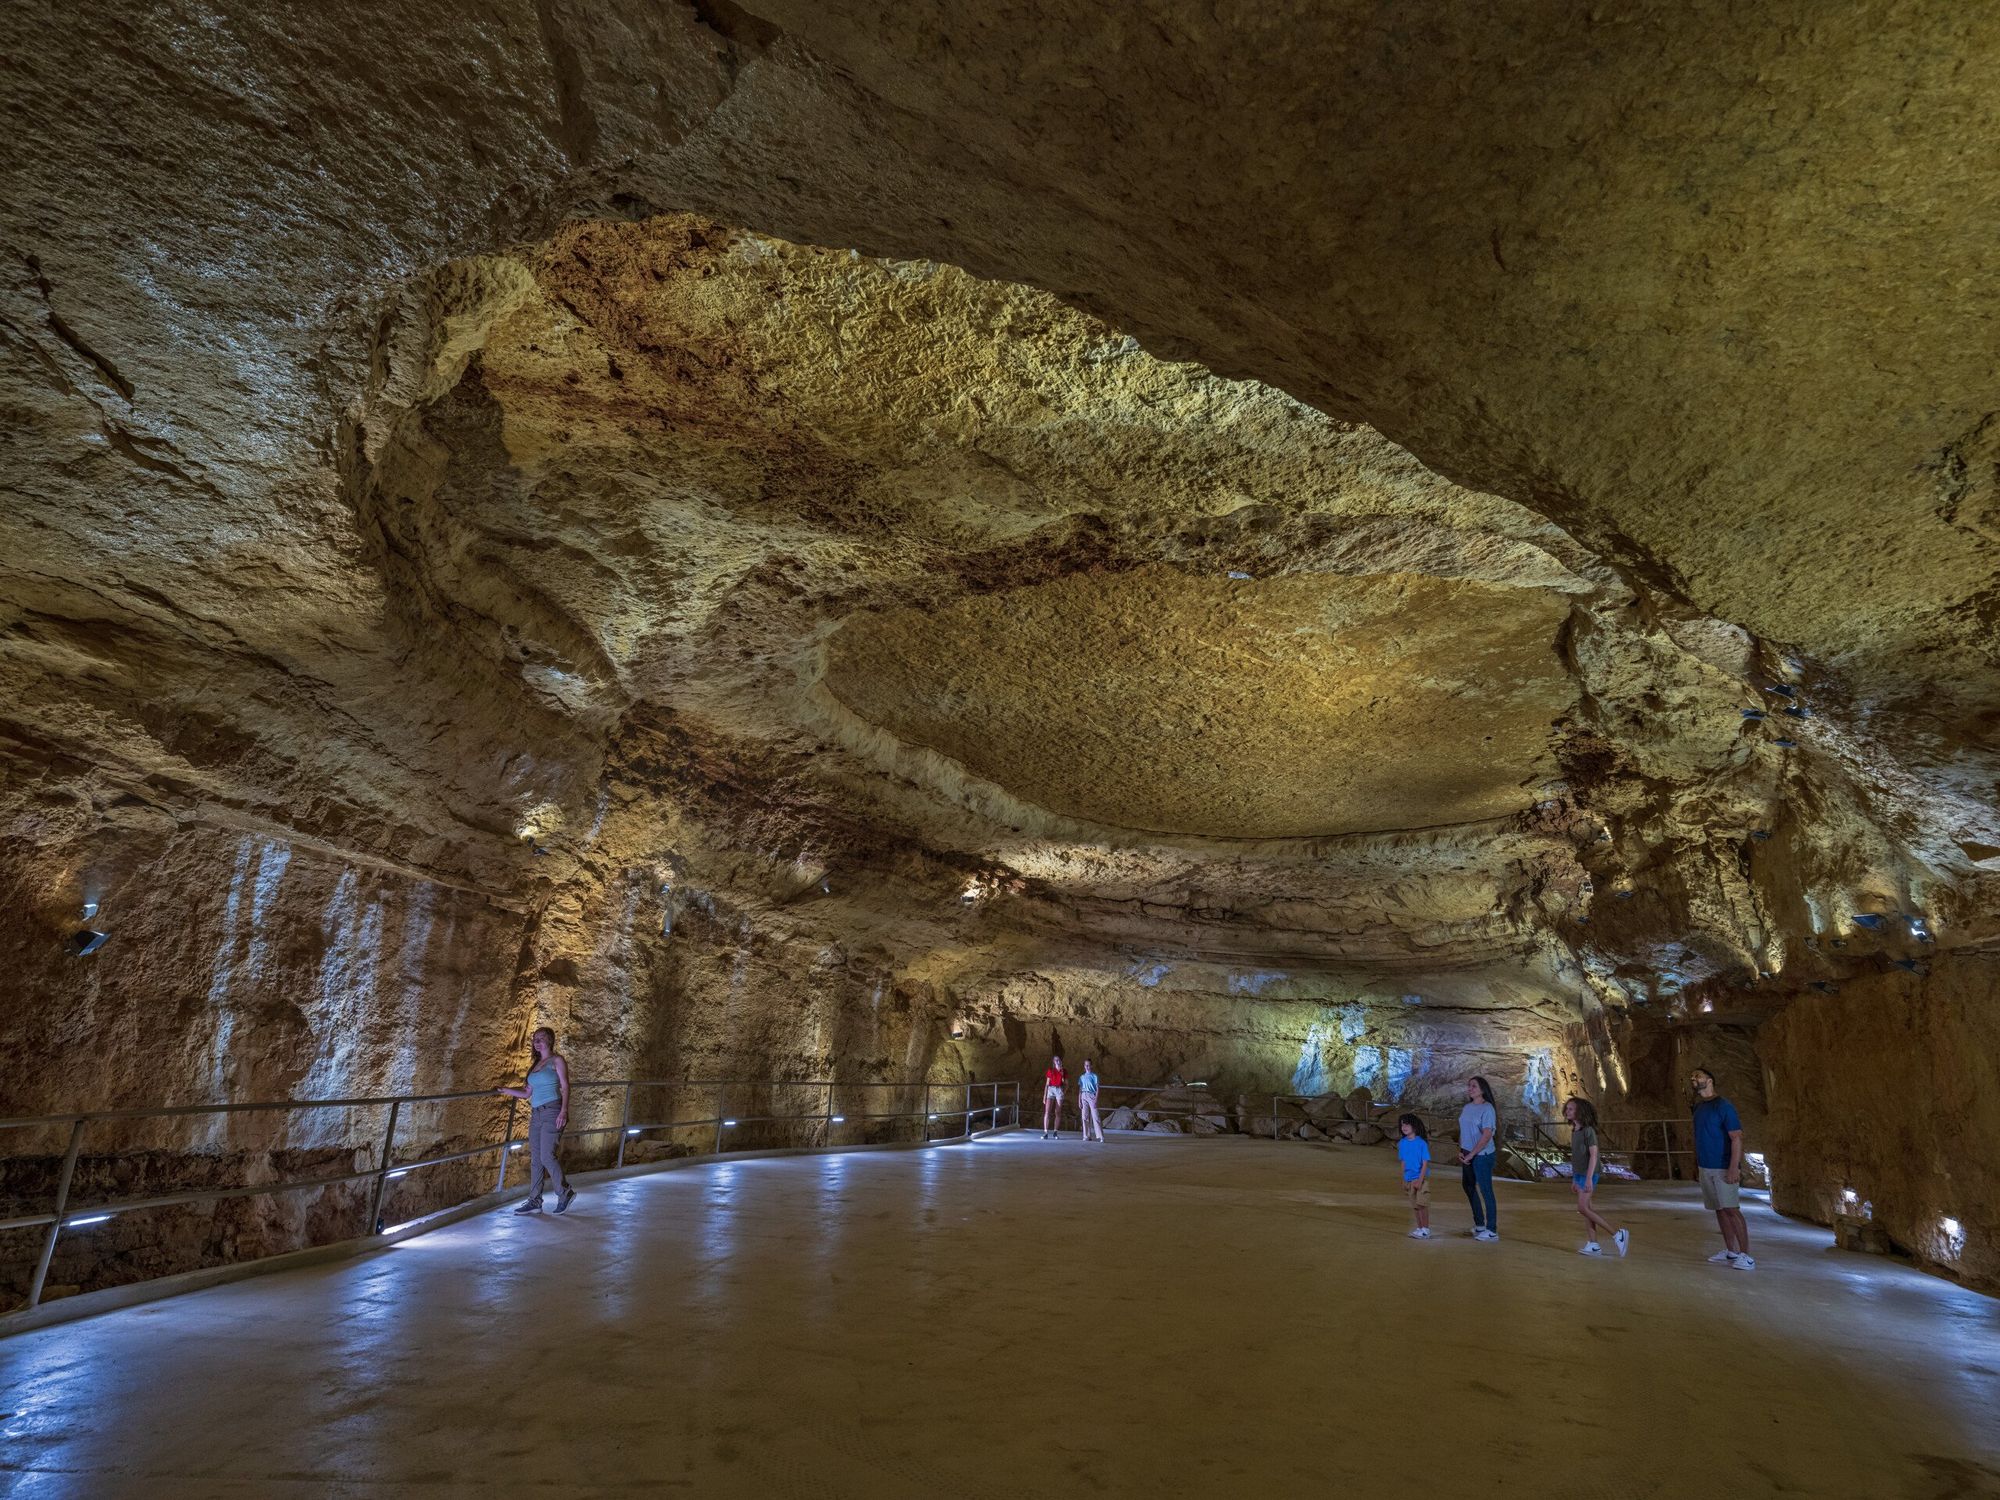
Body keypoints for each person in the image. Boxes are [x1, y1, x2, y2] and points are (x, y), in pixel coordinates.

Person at [495, 1026, 575, 1214]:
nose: (536, 1042)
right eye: (534, 1039)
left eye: (541, 1038)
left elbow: (565, 1086)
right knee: (536, 1160)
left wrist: (564, 1110)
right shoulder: (535, 1065)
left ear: (550, 1040)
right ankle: (534, 1200)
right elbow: (526, 1093)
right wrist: (506, 1090)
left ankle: (565, 1193)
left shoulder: (557, 1061)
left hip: (552, 1111)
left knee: (547, 1156)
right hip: (536, 1114)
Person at [1691, 1066, 1753, 1269]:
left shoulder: (1723, 1106)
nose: (1694, 1079)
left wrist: (1733, 1167)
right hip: (1706, 1166)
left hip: (1722, 1166)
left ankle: (1747, 1255)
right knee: (1719, 1209)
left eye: (1698, 1076)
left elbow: (1736, 1137)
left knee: (1732, 1209)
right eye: (1692, 1076)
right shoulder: (1699, 1107)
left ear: (1709, 1080)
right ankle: (1731, 1251)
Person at [1564, 1096, 1629, 1257]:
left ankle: (1617, 1234)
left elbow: (1593, 1155)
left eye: (1571, 1109)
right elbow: (1576, 1157)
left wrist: (1588, 1179)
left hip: (1589, 1174)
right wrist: (1574, 1179)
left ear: (1580, 1112)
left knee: (1582, 1208)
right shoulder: (1575, 1130)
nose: (1567, 1111)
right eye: (1567, 1108)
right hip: (1579, 1174)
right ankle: (1593, 1244)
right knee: (1587, 1210)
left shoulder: (1588, 1131)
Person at [1457, 1076, 1499, 1241]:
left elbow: (1487, 1135)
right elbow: (1463, 1129)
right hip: (1467, 1152)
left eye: (1474, 1086)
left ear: (1482, 1089)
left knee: (1485, 1189)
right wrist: (1461, 1149)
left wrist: (1472, 1154)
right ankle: (1480, 1224)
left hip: (1482, 1155)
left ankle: (1492, 1229)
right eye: (1469, 1086)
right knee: (1468, 1186)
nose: (1470, 1088)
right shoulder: (1467, 1108)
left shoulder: (1487, 1109)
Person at [1396, 1113, 1432, 1238]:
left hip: (1420, 1178)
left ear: (1414, 1126)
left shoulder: (1421, 1143)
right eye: (1402, 1125)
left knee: (1422, 1204)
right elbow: (1403, 1161)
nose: (1404, 1127)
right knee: (1415, 1205)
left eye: (1407, 1124)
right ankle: (1419, 1227)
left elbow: (1425, 1163)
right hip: (1409, 1178)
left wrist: (1420, 1180)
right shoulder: (1402, 1143)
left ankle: (1426, 1229)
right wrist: (1403, 1179)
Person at [1077, 1059, 1104, 1142]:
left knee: (1095, 1116)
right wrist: (1079, 1100)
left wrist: (1096, 1099)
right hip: (1083, 1095)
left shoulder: (1094, 1076)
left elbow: (1097, 1088)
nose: (1087, 1067)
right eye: (1086, 1065)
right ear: (1084, 1066)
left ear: (1091, 1066)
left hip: (1092, 1095)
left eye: (1089, 1065)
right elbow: (1080, 1089)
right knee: (1084, 1116)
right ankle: (1086, 1136)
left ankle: (1100, 1136)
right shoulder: (1082, 1077)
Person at [1041, 1055, 1066, 1138]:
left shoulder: (1064, 1071)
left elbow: (1066, 1083)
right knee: (1047, 1111)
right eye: (1056, 1060)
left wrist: (1063, 1092)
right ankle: (1045, 1132)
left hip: (1059, 1089)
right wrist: (1044, 1095)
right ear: (1054, 1062)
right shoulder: (1050, 1070)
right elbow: (1047, 1084)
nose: (1058, 1061)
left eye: (1059, 1060)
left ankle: (1055, 1132)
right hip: (1051, 1090)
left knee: (1057, 1112)